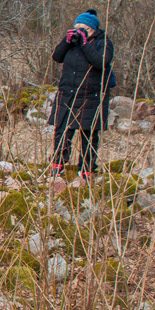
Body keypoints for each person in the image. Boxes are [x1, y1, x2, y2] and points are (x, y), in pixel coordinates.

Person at [51, 9, 113, 181]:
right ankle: (58, 164)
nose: (79, 31)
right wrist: (66, 41)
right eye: (76, 27)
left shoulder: (103, 42)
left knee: (89, 133)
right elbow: (57, 56)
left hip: (91, 95)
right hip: (68, 93)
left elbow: (102, 62)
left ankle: (86, 169)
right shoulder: (72, 42)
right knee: (62, 130)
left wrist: (85, 44)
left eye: (83, 28)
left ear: (92, 29)